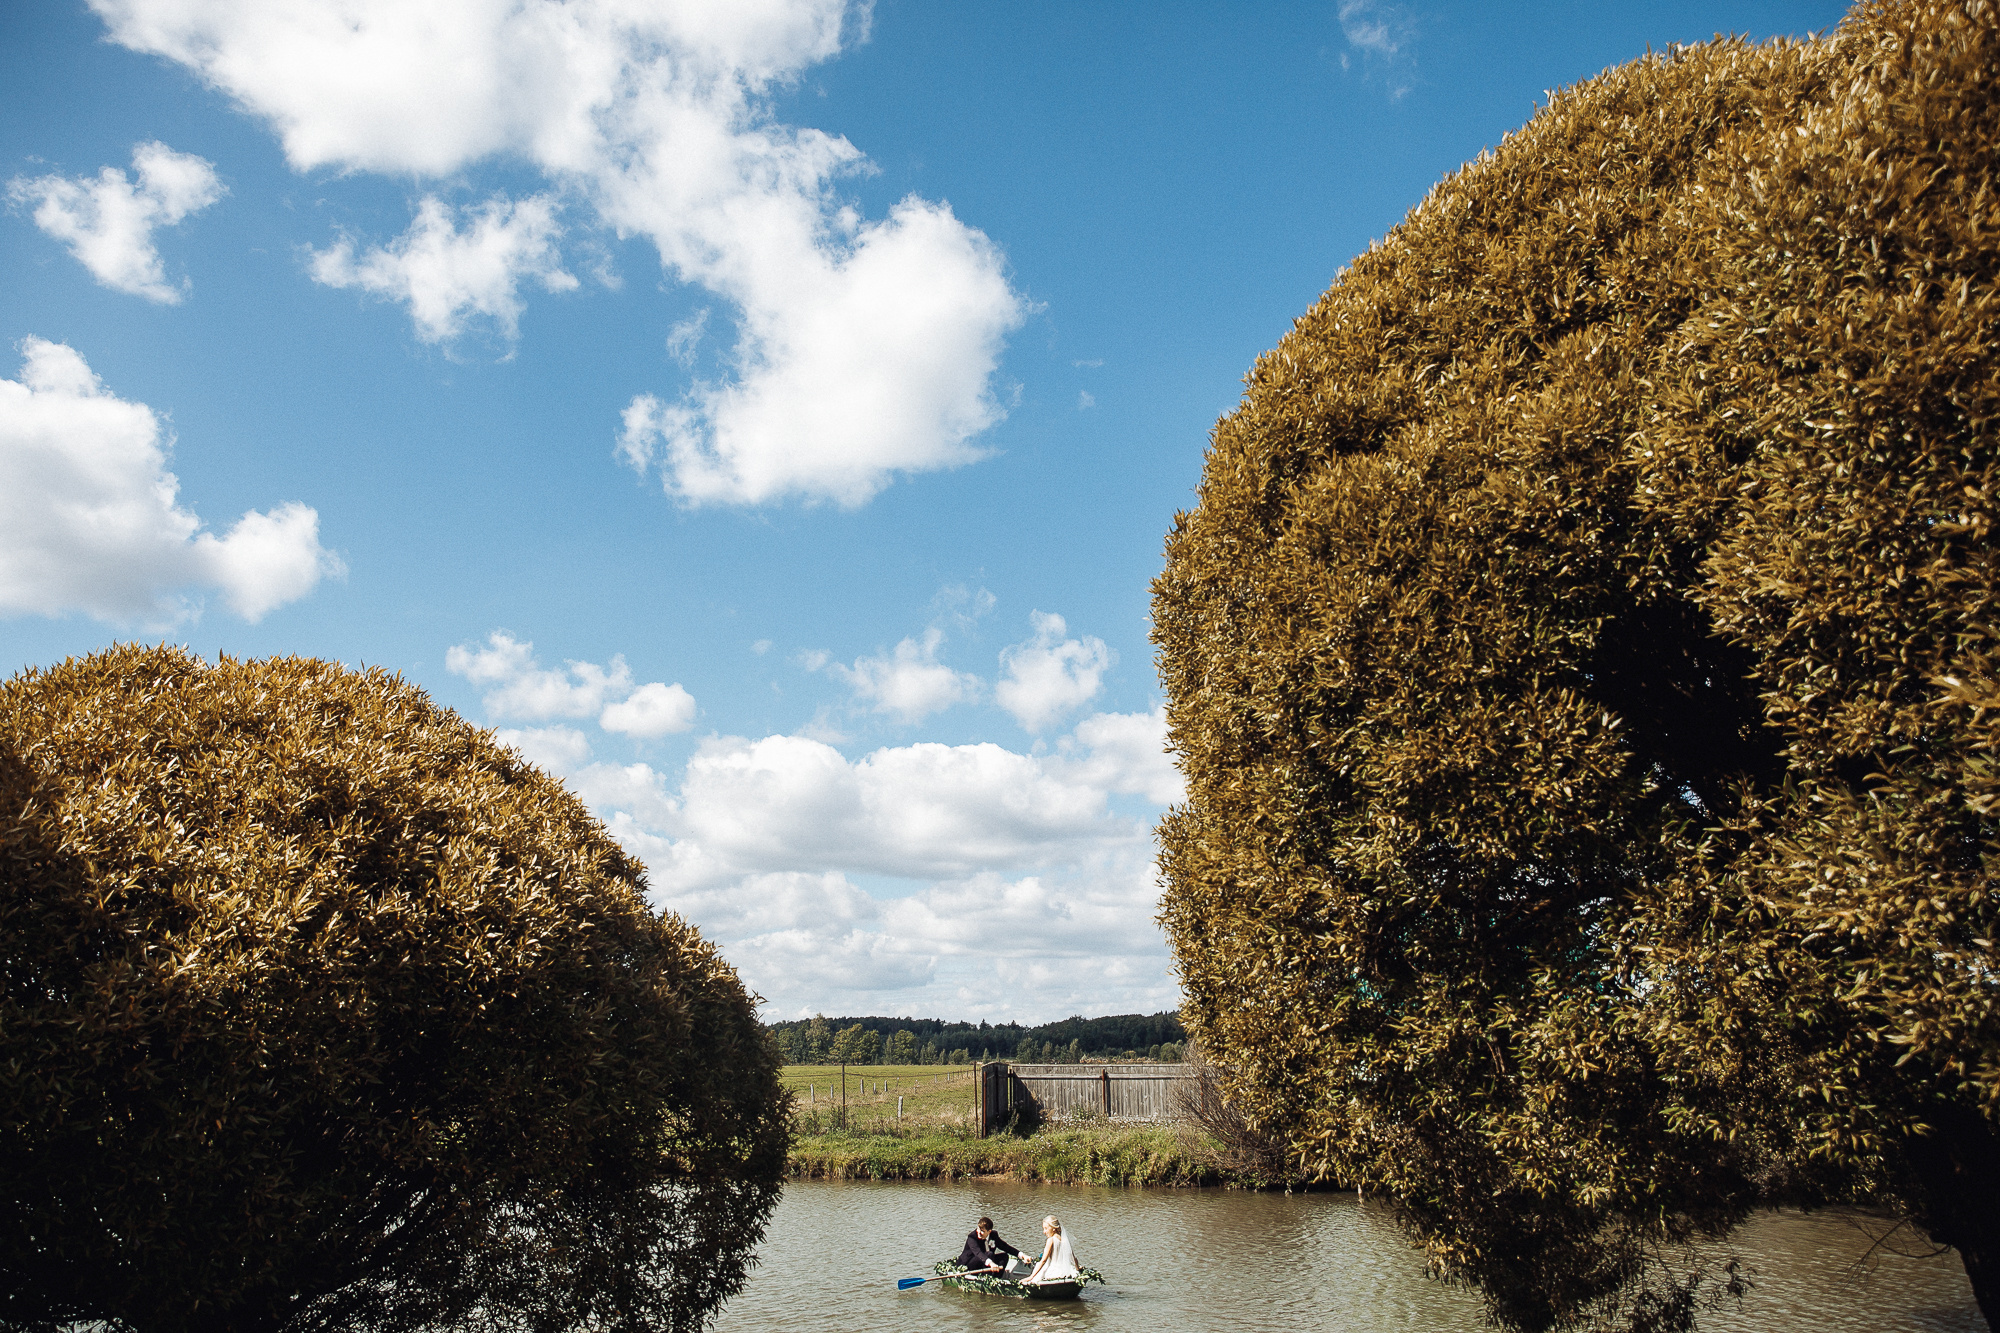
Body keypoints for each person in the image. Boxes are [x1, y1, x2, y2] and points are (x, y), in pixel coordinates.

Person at [1026, 1214, 1080, 1284]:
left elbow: (1043, 1260)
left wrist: (1031, 1277)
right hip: (1066, 1270)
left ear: (1053, 1228)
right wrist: (1077, 1269)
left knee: (1035, 1277)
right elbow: (1073, 1258)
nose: (1044, 1232)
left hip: (1054, 1271)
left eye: (1046, 1228)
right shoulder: (1065, 1240)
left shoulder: (1051, 1240)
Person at [956, 1216, 1021, 1275]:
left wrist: (1021, 1255)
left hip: (985, 1261)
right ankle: (986, 1278)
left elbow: (1005, 1246)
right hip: (968, 1263)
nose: (978, 1232)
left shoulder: (993, 1235)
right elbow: (978, 1253)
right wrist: (991, 1263)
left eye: (982, 1231)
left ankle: (996, 1278)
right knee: (989, 1254)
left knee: (1004, 1256)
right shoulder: (972, 1237)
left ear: (989, 1231)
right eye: (978, 1229)